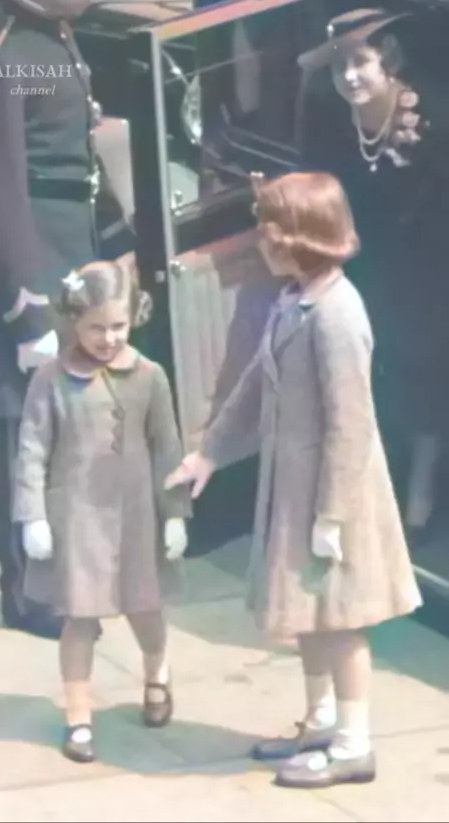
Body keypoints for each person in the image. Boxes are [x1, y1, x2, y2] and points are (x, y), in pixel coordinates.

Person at [166, 171, 422, 789]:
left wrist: (332, 516)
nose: (260, 239)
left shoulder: (337, 314)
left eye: (270, 229)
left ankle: (354, 744)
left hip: (336, 495)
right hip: (297, 488)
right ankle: (320, 720)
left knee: (342, 620)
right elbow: (257, 382)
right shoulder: (292, 300)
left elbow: (350, 425)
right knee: (308, 613)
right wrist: (209, 454)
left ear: (303, 237)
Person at [0, 0, 126, 638]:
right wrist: (25, 307)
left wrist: (115, 240)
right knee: (27, 441)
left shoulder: (49, 33)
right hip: (31, 263)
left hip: (68, 252)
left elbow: (73, 146)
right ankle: (30, 594)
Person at [12, 258, 190, 764]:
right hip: (78, 519)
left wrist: (175, 513)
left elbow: (167, 448)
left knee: (145, 608)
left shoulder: (149, 377)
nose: (108, 338)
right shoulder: (50, 379)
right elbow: (32, 449)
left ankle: (156, 673)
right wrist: (33, 515)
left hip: (136, 517)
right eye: (96, 327)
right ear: (74, 320)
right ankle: (78, 716)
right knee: (80, 618)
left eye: (118, 325)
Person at [296, 8, 449, 540]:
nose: (350, 77)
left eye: (361, 62)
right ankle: (368, 482)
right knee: (362, 369)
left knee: (422, 367)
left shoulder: (435, 121)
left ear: (391, 62)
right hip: (362, 261)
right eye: (339, 67)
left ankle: (423, 484)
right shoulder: (328, 119)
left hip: (429, 267)